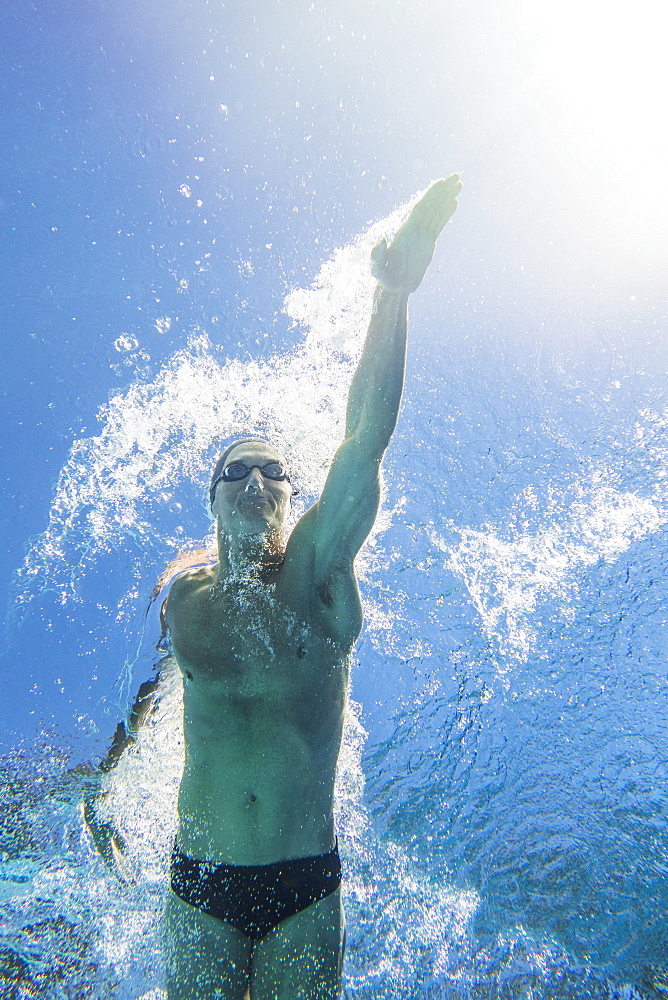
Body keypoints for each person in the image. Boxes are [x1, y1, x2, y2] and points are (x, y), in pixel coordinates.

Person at [88, 176, 461, 999]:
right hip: (202, 882)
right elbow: (151, 698)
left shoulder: (320, 574)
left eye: (273, 470)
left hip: (302, 883)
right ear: (213, 498)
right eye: (236, 471)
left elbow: (364, 441)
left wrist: (392, 297)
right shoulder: (184, 601)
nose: (255, 480)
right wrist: (104, 787)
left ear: (293, 495)